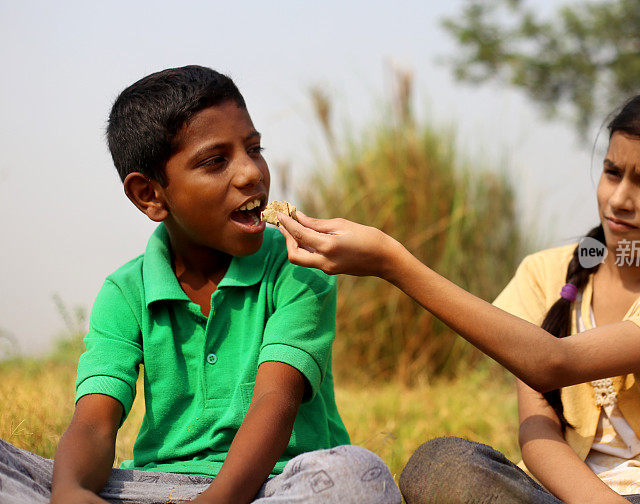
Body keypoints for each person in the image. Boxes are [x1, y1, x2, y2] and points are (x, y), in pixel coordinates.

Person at [274, 85, 640, 503]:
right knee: (443, 464)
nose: (619, 199)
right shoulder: (545, 274)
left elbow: (552, 362)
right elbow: (538, 435)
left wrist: (395, 263)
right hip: (557, 496)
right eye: (612, 172)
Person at [0, 65, 401, 504]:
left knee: (357, 475)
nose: (251, 173)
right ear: (149, 195)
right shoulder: (125, 292)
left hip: (275, 485)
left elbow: (275, 400)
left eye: (254, 148)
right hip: (153, 488)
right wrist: (71, 492)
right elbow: (95, 422)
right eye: (216, 161)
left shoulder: (297, 268)